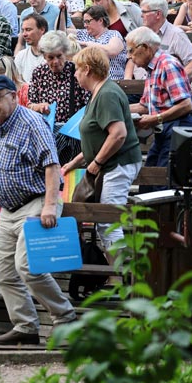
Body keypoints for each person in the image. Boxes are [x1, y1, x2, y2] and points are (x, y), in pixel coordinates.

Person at [0, 74, 76, 345]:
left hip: (36, 201)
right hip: (8, 209)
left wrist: (48, 206)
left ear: (13, 96)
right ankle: (25, 326)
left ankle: (65, 317)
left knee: (27, 266)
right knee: (1, 272)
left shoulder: (32, 122)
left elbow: (52, 165)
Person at [60, 46, 143, 264]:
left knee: (109, 221)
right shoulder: (99, 92)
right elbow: (97, 138)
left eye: (77, 69)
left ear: (87, 69)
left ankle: (121, 277)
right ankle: (116, 274)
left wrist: (96, 163)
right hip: (109, 165)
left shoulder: (107, 94)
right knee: (106, 221)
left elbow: (118, 134)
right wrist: (73, 163)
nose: (75, 74)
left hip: (117, 165)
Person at [127, 26, 192, 169]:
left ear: (145, 48)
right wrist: (116, 109)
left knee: (163, 181)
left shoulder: (167, 65)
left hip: (179, 128)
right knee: (150, 179)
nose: (129, 56)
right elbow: (145, 106)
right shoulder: (152, 69)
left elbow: (186, 105)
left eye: (131, 50)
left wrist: (155, 118)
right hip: (165, 129)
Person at [27, 30, 90, 163]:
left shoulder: (76, 71)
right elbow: (30, 105)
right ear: (44, 56)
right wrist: (39, 107)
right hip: (47, 135)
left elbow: (88, 103)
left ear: (65, 53)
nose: (55, 61)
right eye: (50, 57)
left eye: (59, 56)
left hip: (74, 134)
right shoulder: (38, 73)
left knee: (72, 177)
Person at [71, 5, 127, 79]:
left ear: (100, 20)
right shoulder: (83, 34)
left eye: (88, 21)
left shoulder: (113, 34)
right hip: (88, 83)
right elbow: (62, 32)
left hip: (112, 81)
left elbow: (112, 51)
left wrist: (86, 44)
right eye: (84, 22)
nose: (85, 25)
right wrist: (62, 12)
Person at [15, 12, 47, 82]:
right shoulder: (21, 56)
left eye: (28, 30)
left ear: (42, 30)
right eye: (23, 30)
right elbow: (18, 82)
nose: (24, 34)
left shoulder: (52, 56)